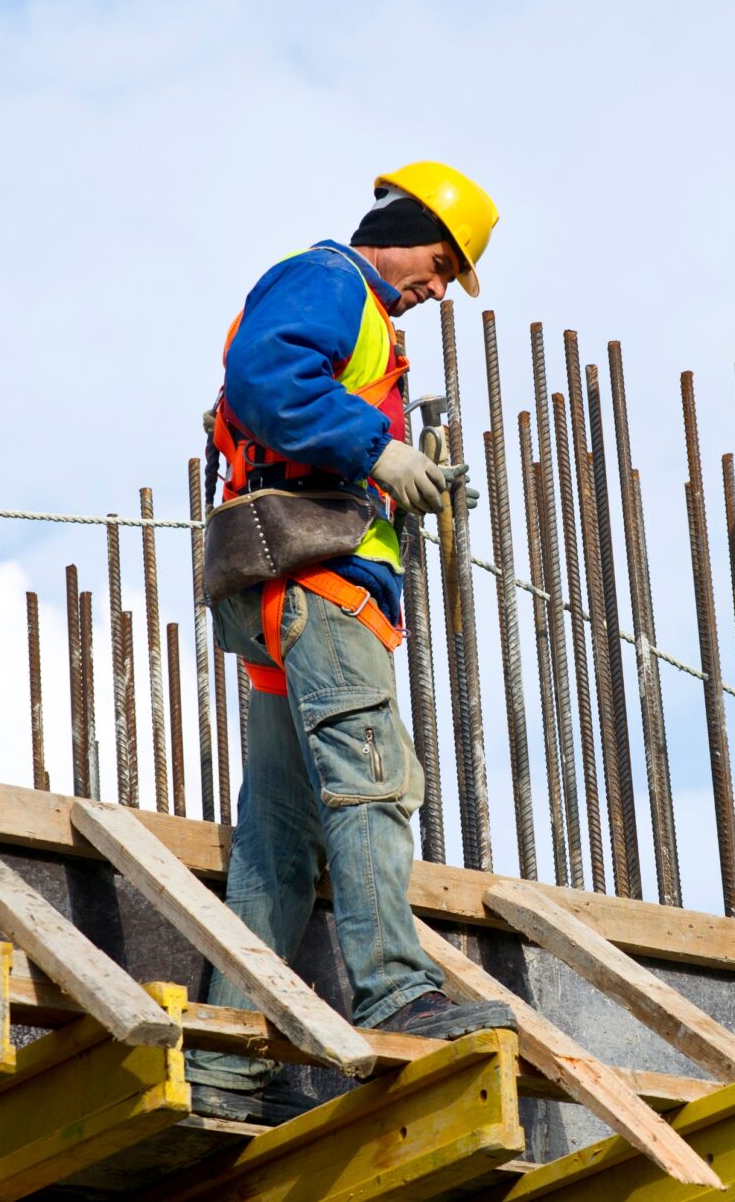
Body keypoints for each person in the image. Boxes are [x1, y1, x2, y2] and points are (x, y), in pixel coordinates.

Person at [186, 163, 511, 1123]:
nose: (438, 287)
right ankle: (397, 989)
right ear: (400, 228)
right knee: (373, 782)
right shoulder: (331, 280)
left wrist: (397, 471)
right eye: (441, 263)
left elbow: (298, 411)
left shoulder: (365, 320)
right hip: (318, 590)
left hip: (290, 592)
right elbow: (266, 379)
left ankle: (229, 1056)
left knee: (279, 838)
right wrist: (378, 451)